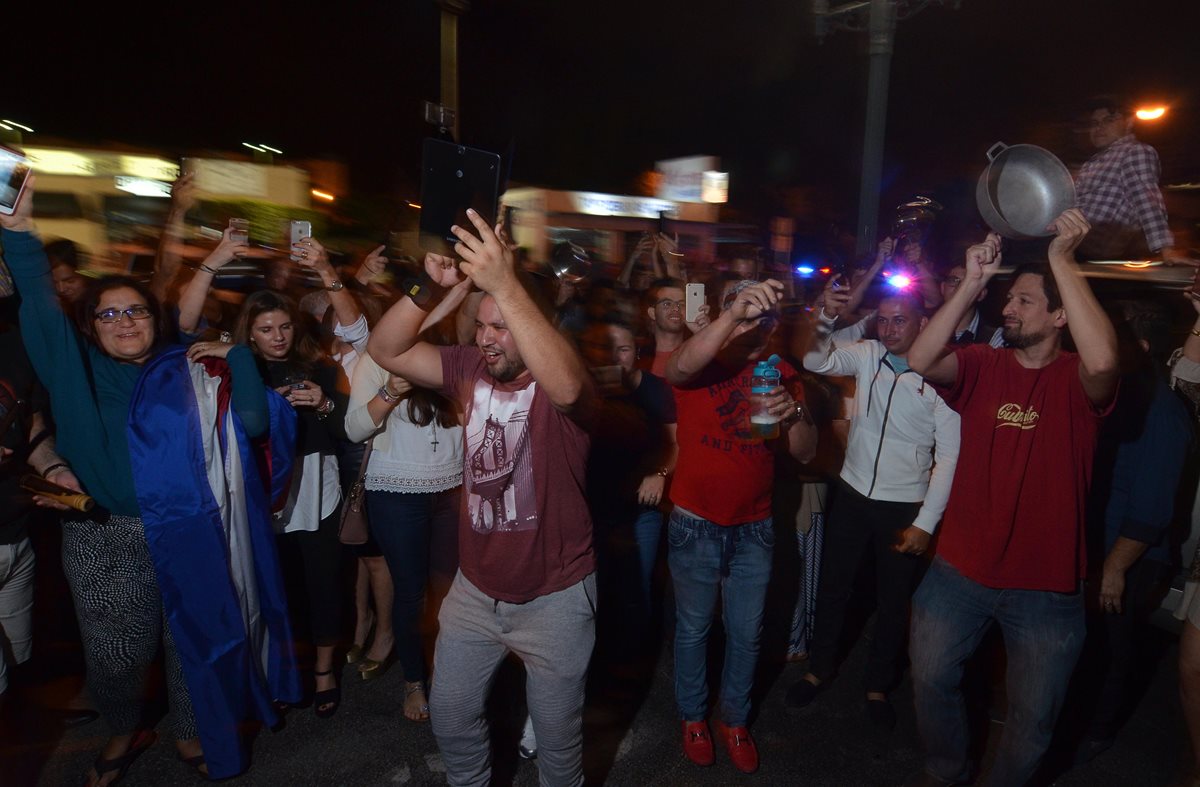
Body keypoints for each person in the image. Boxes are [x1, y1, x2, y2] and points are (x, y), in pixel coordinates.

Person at [1, 185, 299, 783]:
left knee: (192, 645)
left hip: (188, 530)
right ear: (92, 327)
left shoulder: (187, 369)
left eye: (135, 310)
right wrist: (18, 234)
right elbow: (38, 303)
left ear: (153, 319)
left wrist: (238, 355)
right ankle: (122, 729)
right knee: (116, 656)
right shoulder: (75, 371)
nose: (123, 321)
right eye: (108, 313)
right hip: (102, 537)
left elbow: (256, 421)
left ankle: (191, 732)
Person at [368, 209, 596, 787]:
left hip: (556, 599)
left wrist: (505, 282)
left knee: (558, 748)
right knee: (450, 718)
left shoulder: (564, 381)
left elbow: (568, 387)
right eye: (482, 324)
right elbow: (387, 351)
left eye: (502, 325)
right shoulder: (470, 367)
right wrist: (429, 290)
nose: (484, 338)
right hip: (476, 592)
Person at [903, 210, 1119, 787]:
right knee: (929, 679)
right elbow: (919, 359)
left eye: (1025, 301)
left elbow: (1104, 361)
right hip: (960, 570)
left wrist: (1059, 260)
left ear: (1058, 315)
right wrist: (972, 280)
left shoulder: (1077, 378)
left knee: (1032, 721)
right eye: (1009, 300)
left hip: (1046, 588)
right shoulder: (983, 365)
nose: (1008, 310)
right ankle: (948, 771)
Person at [788, 284, 959, 731]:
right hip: (852, 491)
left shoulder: (946, 376)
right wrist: (824, 318)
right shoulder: (866, 353)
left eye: (899, 319)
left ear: (923, 323)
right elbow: (814, 360)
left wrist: (926, 522)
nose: (888, 328)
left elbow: (951, 458)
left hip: (904, 506)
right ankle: (819, 668)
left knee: (893, 599)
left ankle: (878, 684)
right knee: (833, 587)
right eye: (882, 319)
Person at [664, 278, 818, 774]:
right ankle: (692, 717)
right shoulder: (702, 360)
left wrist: (792, 413)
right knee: (692, 630)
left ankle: (735, 720)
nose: (756, 326)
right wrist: (734, 316)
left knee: (747, 634)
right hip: (695, 523)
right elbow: (679, 366)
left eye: (763, 317)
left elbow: (807, 452)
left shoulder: (781, 371)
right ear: (724, 313)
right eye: (743, 313)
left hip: (754, 527)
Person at [1067, 300, 1191, 765]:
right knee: (1088, 641)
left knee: (1108, 645)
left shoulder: (1162, 413)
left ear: (1140, 347)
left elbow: (1153, 507)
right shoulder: (1123, 396)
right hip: (1100, 545)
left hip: (1128, 556)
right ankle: (1077, 717)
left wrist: (1116, 568)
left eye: (1116, 338)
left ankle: (1096, 731)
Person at [1075, 95, 1188, 264]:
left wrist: (1166, 249)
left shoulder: (1134, 152)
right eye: (1095, 123)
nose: (1099, 127)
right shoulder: (1095, 161)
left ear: (1129, 123)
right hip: (1071, 244)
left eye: (1109, 120)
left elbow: (1145, 199)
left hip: (1090, 250)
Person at [939, 262, 1002, 347]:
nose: (960, 288)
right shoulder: (924, 326)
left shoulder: (995, 336)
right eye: (953, 280)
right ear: (942, 288)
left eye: (967, 284)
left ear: (981, 294)